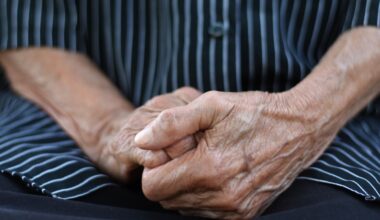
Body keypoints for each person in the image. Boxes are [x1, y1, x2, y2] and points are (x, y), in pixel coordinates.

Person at [0, 0, 380, 219]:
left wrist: (302, 117)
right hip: (71, 131)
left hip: (337, 135)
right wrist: (111, 131)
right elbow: (27, 26)